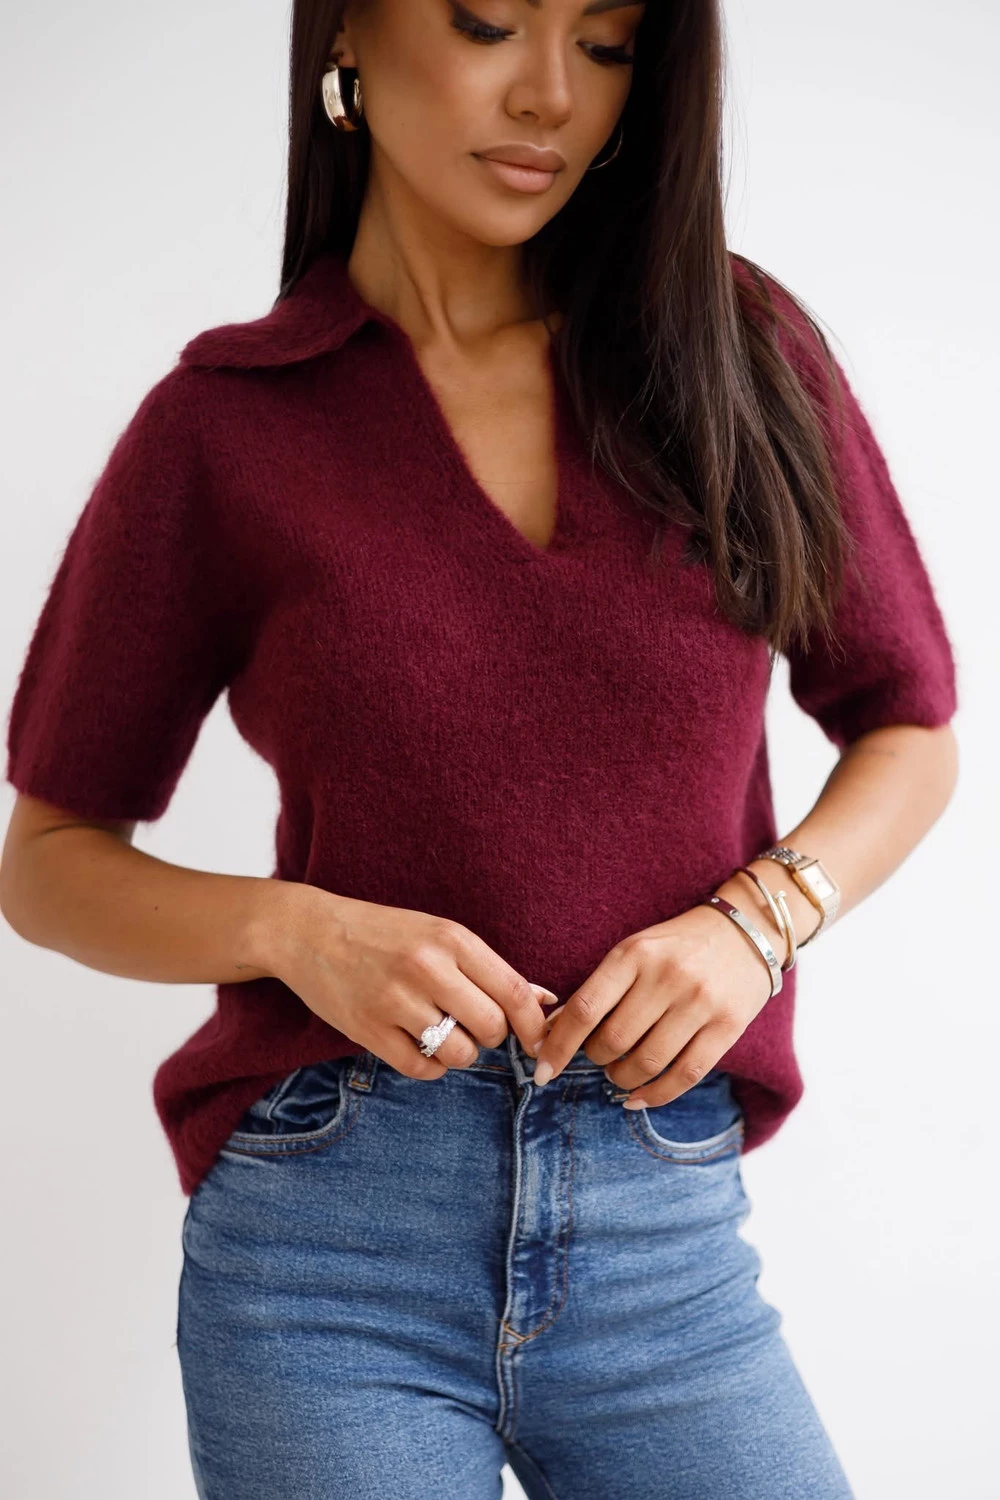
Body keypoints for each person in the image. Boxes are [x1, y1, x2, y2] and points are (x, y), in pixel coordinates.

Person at [0, 1, 959, 1496]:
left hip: (669, 1252)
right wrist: (295, 931)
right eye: (489, 22)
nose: (550, 96)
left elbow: (909, 727)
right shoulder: (227, 429)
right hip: (330, 1258)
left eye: (608, 43)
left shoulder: (733, 354)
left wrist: (758, 920)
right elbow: (48, 862)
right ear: (348, 36)